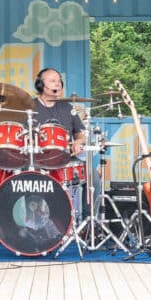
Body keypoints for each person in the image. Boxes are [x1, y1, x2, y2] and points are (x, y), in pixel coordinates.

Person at [33, 68, 88, 213]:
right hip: (39, 162)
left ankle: (88, 224)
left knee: (93, 176)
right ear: (40, 85)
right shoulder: (29, 108)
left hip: (67, 159)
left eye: (59, 81)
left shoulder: (67, 107)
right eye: (52, 81)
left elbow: (81, 133)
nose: (58, 84)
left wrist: (78, 142)